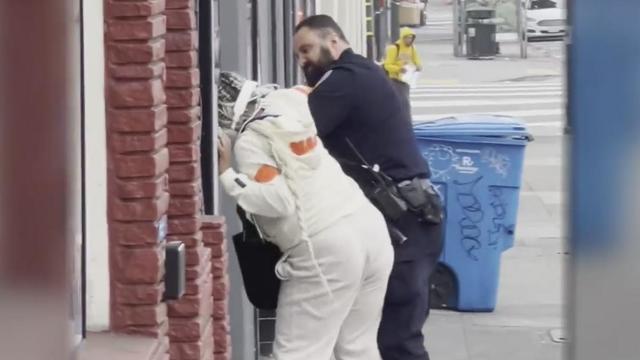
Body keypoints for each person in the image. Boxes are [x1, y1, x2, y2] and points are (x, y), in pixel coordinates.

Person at [294, 15, 444, 360]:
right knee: (386, 336)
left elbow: (294, 131)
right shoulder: (363, 73)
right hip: (412, 217)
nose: (303, 61)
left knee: (396, 340)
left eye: (306, 50)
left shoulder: (345, 80)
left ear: (333, 42)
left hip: (403, 222)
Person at [216, 71, 394, 360]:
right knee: (357, 349)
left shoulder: (251, 139)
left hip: (326, 248)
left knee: (298, 354)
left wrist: (227, 175)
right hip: (369, 228)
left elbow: (278, 200)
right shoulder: (288, 105)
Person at [383, 27, 423, 119]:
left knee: (405, 102)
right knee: (398, 102)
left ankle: (405, 120)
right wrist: (399, 69)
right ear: (402, 37)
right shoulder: (394, 48)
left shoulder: (412, 48)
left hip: (406, 79)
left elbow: (416, 59)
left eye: (411, 38)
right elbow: (387, 65)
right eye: (407, 37)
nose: (409, 40)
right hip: (394, 79)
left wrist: (418, 66)